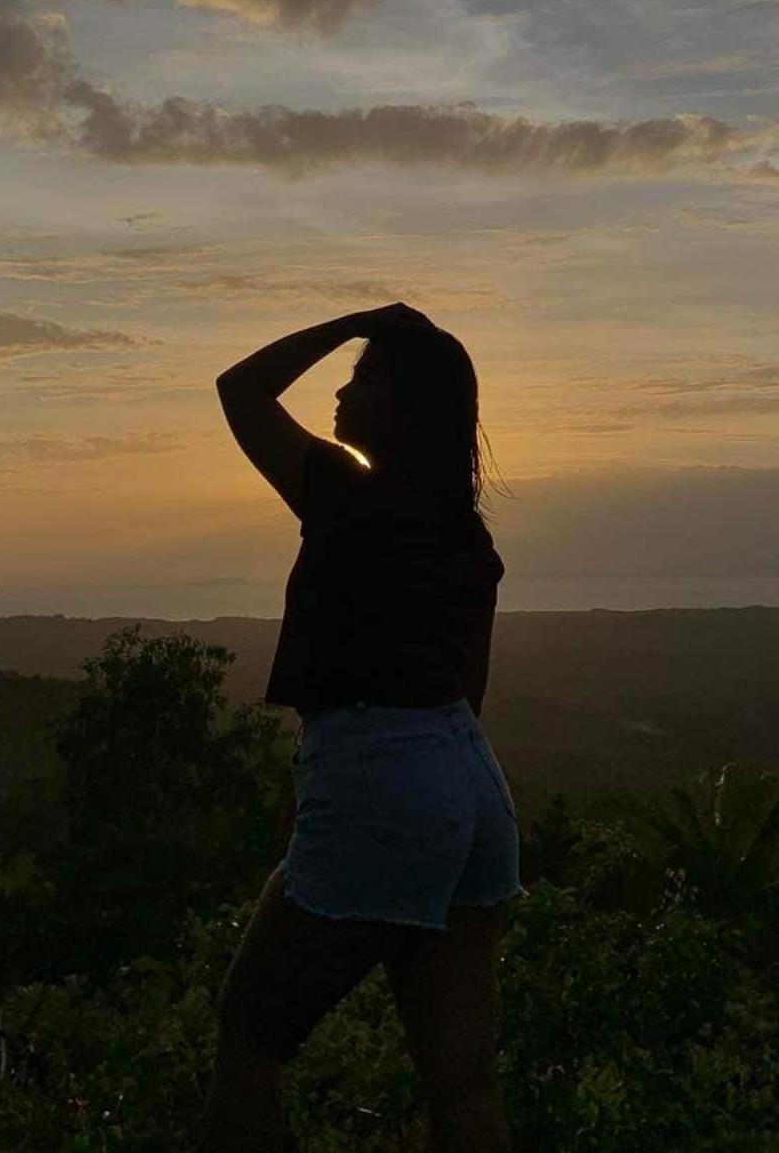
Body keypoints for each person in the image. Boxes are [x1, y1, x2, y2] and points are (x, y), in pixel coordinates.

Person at [200, 303, 523, 1152]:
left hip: (382, 770)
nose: (343, 390)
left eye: (367, 374)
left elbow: (240, 388)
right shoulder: (467, 536)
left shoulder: (344, 494)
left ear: (406, 404)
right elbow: (471, 693)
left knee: (251, 1036)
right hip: (471, 786)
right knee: (463, 1081)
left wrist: (356, 320)